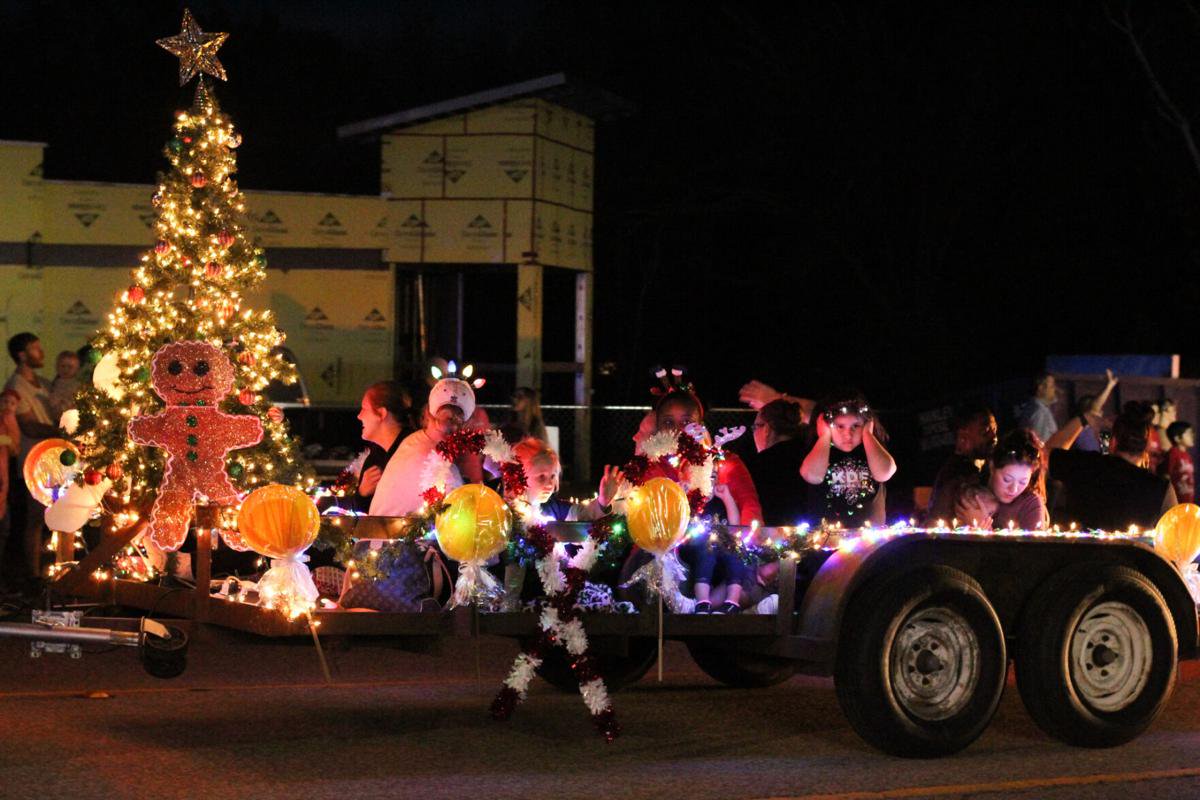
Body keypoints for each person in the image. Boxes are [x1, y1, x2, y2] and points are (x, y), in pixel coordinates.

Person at [648, 389, 762, 614]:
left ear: (700, 425)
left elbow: (750, 506)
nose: (678, 429)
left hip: (723, 545)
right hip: (671, 549)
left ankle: (714, 606)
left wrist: (745, 541)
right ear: (658, 426)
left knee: (745, 568)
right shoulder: (651, 464)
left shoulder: (725, 461)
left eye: (686, 421)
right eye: (668, 422)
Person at [1046, 404, 1177, 530]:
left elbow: (1045, 454)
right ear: (1146, 447)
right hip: (1135, 553)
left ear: (1113, 441)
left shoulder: (1084, 464)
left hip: (1081, 551)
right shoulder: (1160, 487)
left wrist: (1085, 418)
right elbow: (1176, 535)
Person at [369, 377, 476, 516]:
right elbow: (460, 514)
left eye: (460, 421)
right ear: (429, 414)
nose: (454, 427)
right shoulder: (432, 457)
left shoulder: (415, 441)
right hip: (394, 535)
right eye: (447, 418)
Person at [5, 333, 57, 580]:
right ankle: (33, 575)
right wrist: (61, 429)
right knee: (35, 518)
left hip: (55, 456)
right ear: (22, 355)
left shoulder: (46, 384)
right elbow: (28, 426)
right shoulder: (16, 387)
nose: (41, 352)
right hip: (34, 459)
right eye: (35, 349)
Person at [800, 393, 896, 526]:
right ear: (825, 425)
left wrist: (868, 434)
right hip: (826, 538)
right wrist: (824, 436)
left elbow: (884, 473)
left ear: (867, 424)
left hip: (871, 538)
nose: (848, 434)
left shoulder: (871, 449)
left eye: (856, 426)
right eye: (840, 426)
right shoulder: (820, 450)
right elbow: (812, 476)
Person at [954, 429, 1048, 529]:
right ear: (992, 466)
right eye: (1007, 479)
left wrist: (983, 530)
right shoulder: (970, 495)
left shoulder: (1030, 505)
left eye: (1022, 482)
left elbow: (1033, 544)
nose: (1013, 489)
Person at [344, 382, 412, 512]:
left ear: (381, 413)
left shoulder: (412, 452)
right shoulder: (375, 459)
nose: (359, 416)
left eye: (364, 408)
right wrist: (362, 494)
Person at [925, 404, 998, 524]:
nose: (993, 437)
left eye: (994, 429)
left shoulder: (978, 469)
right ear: (962, 437)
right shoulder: (958, 475)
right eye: (985, 431)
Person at [744, 399, 810, 525]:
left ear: (767, 429)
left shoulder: (758, 465)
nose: (753, 433)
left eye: (755, 427)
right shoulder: (809, 458)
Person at [1069, 370, 1119, 453]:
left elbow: (1105, 453)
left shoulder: (1102, 432)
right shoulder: (1082, 429)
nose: (1101, 413)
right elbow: (1094, 409)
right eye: (1099, 410)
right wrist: (1109, 386)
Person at [1016, 372, 1059, 444]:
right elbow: (1040, 444)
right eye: (1052, 386)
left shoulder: (1038, 408)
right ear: (1041, 388)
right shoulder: (1039, 412)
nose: (1054, 389)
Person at [1165, 420, 1195, 504]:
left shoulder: (1187, 456)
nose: (1192, 436)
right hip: (1176, 502)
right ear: (1177, 438)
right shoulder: (1173, 454)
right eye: (1188, 434)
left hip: (1188, 501)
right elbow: (1166, 476)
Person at [47, 350, 81, 420]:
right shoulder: (55, 382)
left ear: (77, 369)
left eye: (70, 367)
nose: (66, 369)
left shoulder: (76, 384)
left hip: (71, 414)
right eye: (63, 366)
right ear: (57, 367)